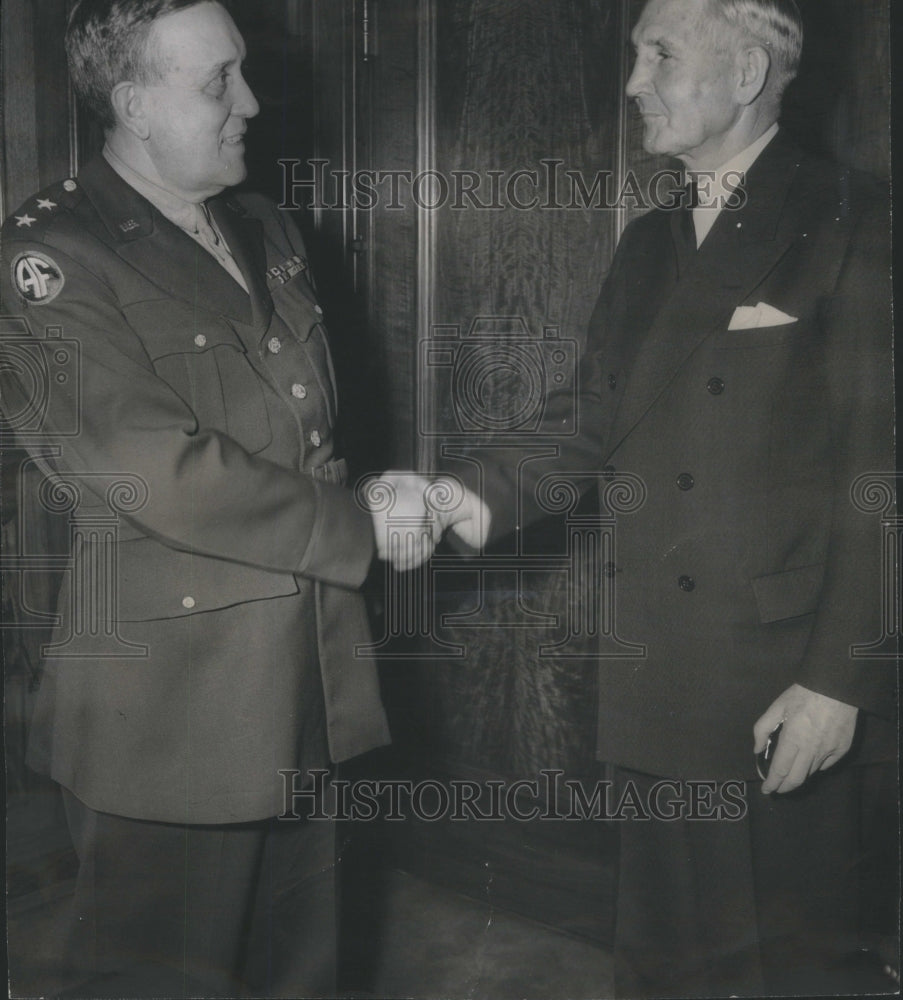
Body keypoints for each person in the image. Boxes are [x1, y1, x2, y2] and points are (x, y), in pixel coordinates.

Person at [0, 1, 480, 995]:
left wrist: (376, 495)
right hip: (171, 712)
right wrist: (361, 525)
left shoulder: (261, 224)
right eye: (219, 81)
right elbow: (154, 467)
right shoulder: (51, 255)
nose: (251, 103)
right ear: (134, 105)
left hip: (307, 677)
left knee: (301, 971)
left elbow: (302, 434)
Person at [440, 0, 897, 994]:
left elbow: (885, 473)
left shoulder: (858, 218)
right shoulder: (648, 241)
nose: (633, 82)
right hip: (655, 675)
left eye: (660, 54)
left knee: (784, 969)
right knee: (664, 961)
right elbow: (585, 421)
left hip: (779, 687)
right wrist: (451, 501)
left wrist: (838, 683)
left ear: (746, 74)